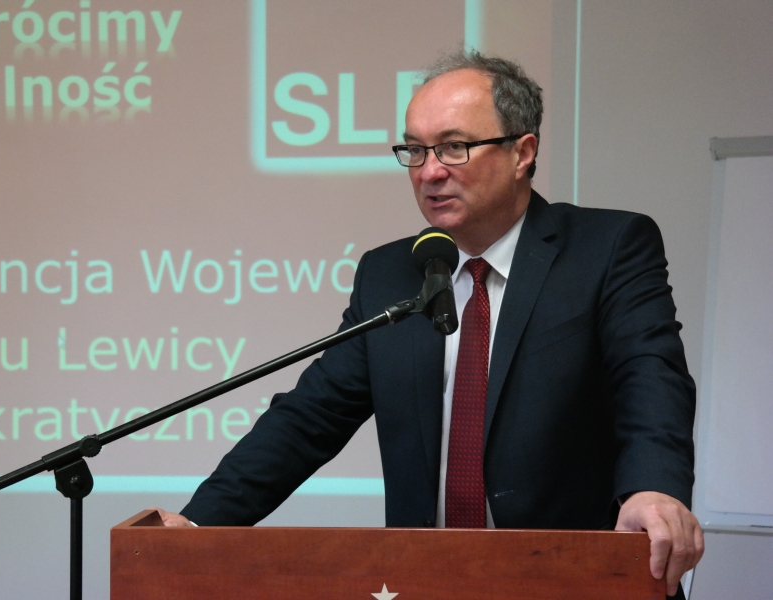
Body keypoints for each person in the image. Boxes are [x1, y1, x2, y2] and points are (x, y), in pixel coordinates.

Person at [155, 49, 704, 598]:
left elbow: (650, 376)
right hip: (427, 581)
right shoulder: (390, 274)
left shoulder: (606, 249)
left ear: (522, 152)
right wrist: (199, 524)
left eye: (453, 147)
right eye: (415, 150)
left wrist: (654, 488)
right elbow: (309, 417)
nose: (429, 171)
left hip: (577, 578)